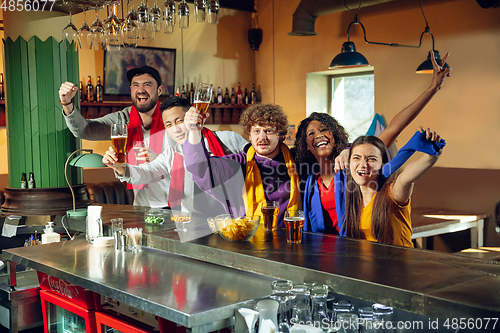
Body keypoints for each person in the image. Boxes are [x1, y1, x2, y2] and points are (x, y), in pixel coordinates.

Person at [295, 50, 451, 235]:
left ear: (335, 134)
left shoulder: (357, 166)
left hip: (356, 249)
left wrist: (433, 88)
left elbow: (394, 127)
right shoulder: (311, 180)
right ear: (305, 144)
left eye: (323, 129)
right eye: (311, 133)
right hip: (322, 255)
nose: (318, 135)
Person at [101, 97, 248, 217]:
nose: (176, 130)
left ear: (192, 117)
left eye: (180, 121)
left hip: (232, 219)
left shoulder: (228, 139)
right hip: (193, 224)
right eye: (169, 125)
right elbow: (146, 172)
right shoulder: (171, 154)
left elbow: (258, 158)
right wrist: (120, 168)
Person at [58, 66, 167, 207]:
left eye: (147, 84)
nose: (140, 89)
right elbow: (84, 130)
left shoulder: (172, 118)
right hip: (143, 207)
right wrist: (67, 104)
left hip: (179, 204)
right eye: (135, 85)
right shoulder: (123, 120)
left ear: (159, 90)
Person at [183, 104, 300, 226]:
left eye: (268, 131)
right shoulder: (238, 163)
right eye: (256, 131)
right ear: (249, 136)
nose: (262, 137)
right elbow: (199, 167)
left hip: (291, 237)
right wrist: (194, 131)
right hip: (248, 238)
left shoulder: (297, 161)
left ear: (280, 135)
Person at [344, 128, 445, 247]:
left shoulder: (393, 192)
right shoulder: (353, 198)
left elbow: (406, 177)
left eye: (371, 159)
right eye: (356, 158)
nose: (363, 164)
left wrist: (432, 154)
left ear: (383, 163)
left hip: (398, 264)